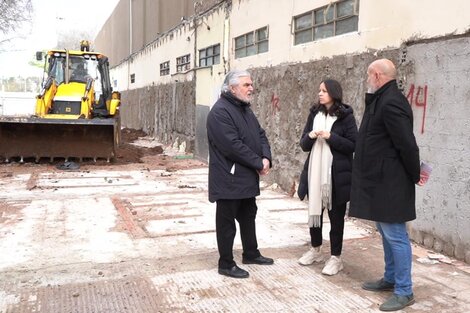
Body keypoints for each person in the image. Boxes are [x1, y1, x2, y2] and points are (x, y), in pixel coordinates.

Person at [349, 59, 420, 311]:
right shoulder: (380, 99)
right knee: (386, 234)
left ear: (377, 75)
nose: (367, 80)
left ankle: (404, 290)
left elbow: (407, 144)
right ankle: (391, 278)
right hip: (379, 181)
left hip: (391, 182)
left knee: (396, 236)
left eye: (369, 75)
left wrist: (415, 173)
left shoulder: (391, 103)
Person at [206, 69, 274, 279]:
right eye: (246, 85)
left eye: (251, 84)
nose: (251, 88)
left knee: (248, 216)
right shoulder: (220, 112)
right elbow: (232, 146)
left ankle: (251, 253)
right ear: (232, 88)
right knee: (226, 223)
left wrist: (266, 158)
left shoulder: (245, 109)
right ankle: (225, 263)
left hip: (246, 177)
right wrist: (257, 162)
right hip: (229, 178)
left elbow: (260, 134)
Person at [297, 79, 357, 276]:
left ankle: (335, 258)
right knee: (314, 213)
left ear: (333, 93)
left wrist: (331, 137)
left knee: (336, 217)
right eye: (319, 90)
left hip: (336, 175)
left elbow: (353, 145)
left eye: (324, 91)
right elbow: (304, 144)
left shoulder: (345, 116)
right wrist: (312, 135)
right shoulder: (314, 113)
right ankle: (315, 250)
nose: (320, 93)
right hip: (315, 172)